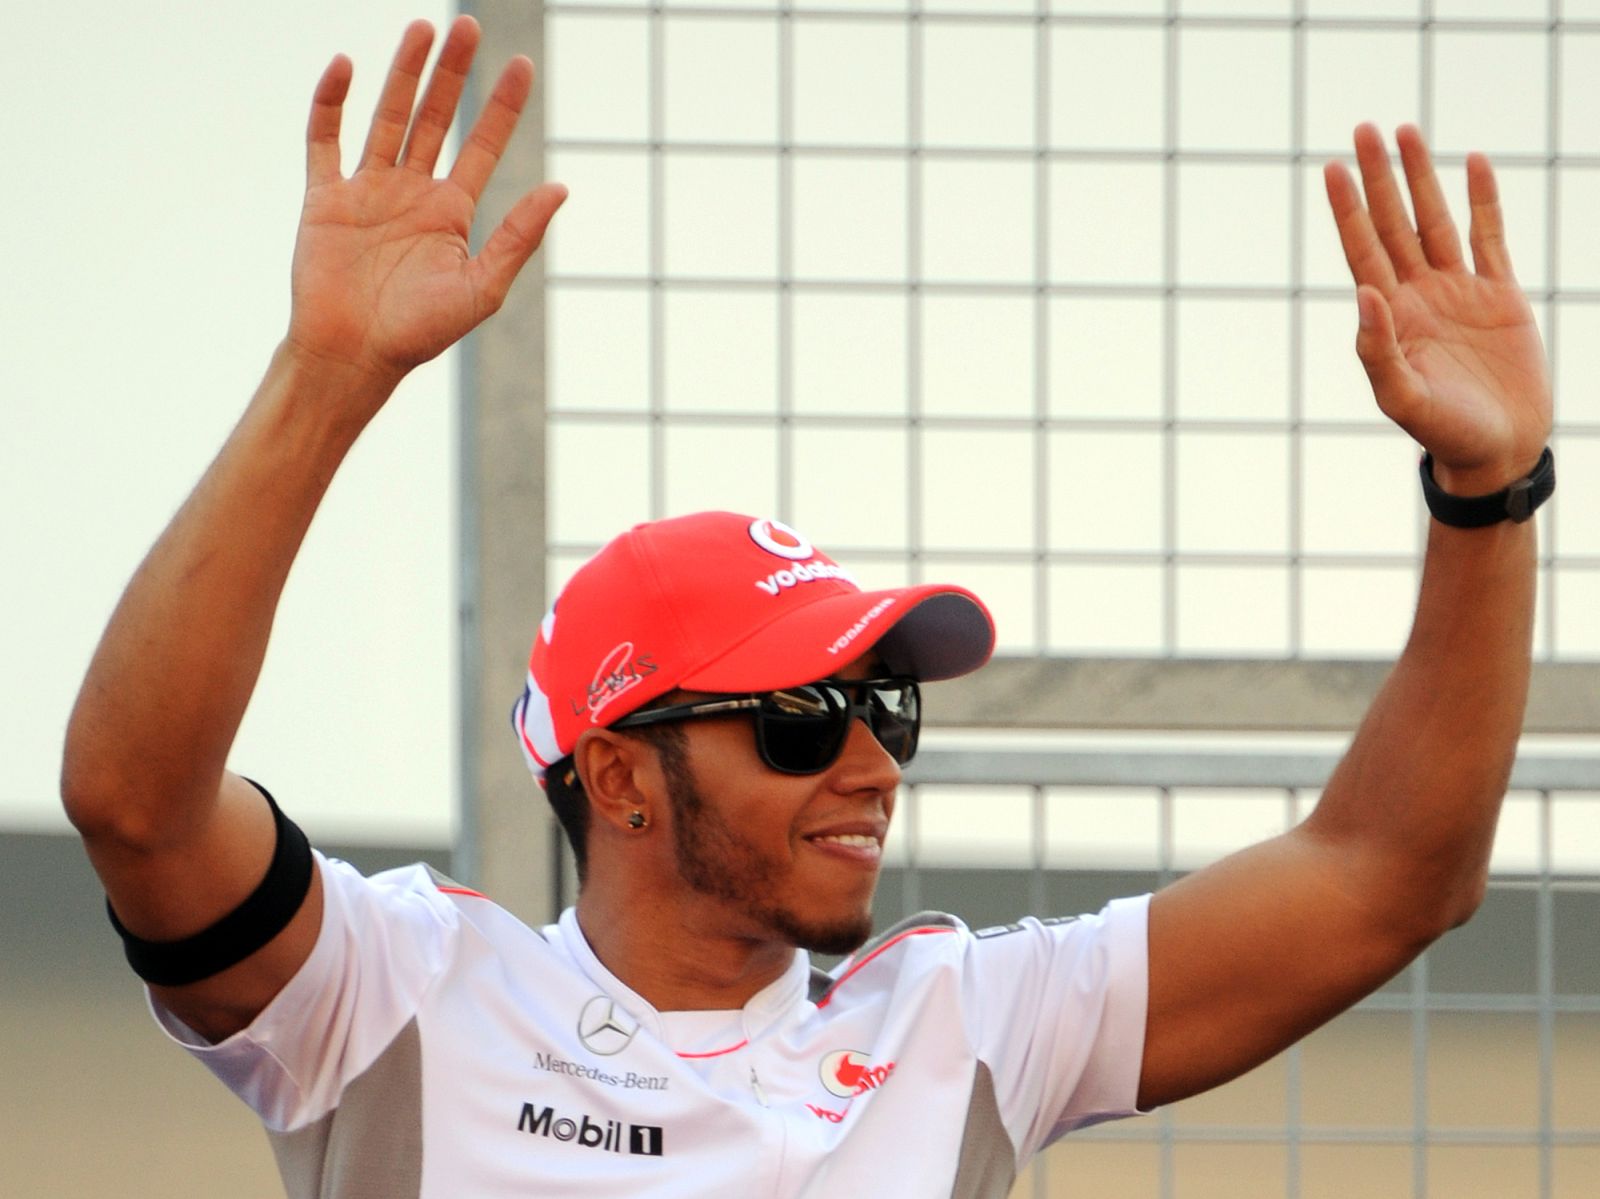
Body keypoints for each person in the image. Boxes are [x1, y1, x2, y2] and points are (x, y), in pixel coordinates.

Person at [60, 15, 1553, 1199]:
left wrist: (1488, 496)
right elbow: (135, 801)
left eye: (882, 706)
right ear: (624, 773)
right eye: (798, 719)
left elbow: (1389, 875)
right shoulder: (396, 996)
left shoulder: (961, 1028)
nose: (871, 760)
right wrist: (330, 377)